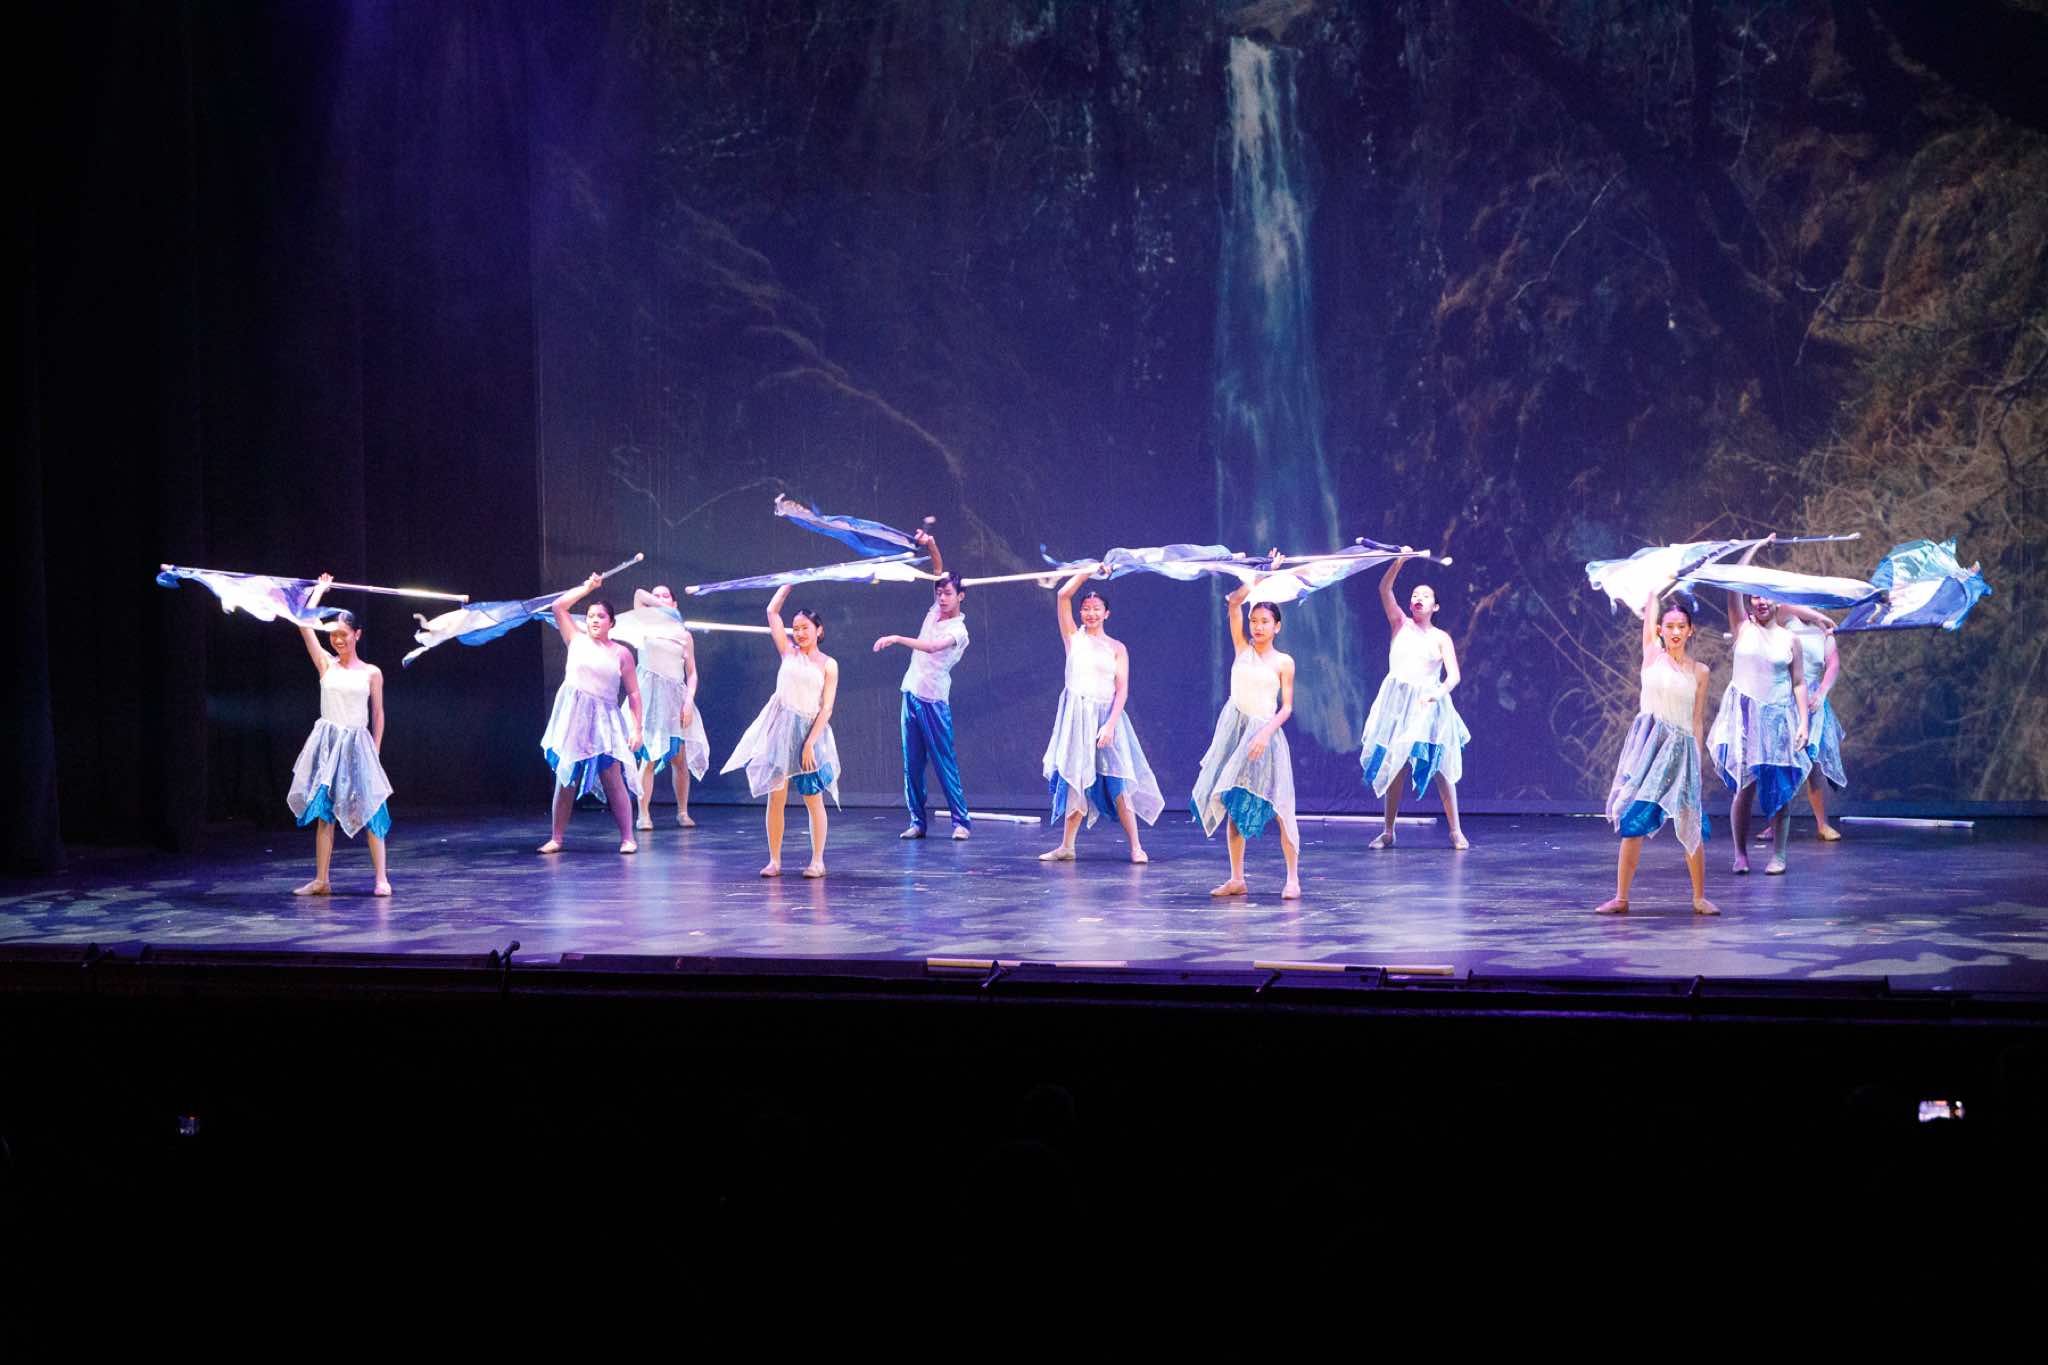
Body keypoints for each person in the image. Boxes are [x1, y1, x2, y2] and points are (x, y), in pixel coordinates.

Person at [1597, 590, 1718, 914]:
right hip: (1650, 750)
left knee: (1690, 820)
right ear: (1660, 630)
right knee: (1634, 819)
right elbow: (1650, 610)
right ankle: (1621, 897)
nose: (1675, 632)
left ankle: (1699, 897)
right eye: (1670, 626)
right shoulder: (1652, 655)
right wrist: (1654, 584)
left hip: (1680, 751)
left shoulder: (1699, 671)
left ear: (1690, 631)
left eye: (1681, 626)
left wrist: (1696, 759)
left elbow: (1697, 719)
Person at [1705, 537, 1813, 875]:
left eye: (1766, 595)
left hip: (1778, 717)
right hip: (1745, 718)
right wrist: (1754, 548)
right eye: (1755, 595)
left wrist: (1803, 722)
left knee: (1780, 790)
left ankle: (1779, 855)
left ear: (1777, 600)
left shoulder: (1790, 639)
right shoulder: (1742, 628)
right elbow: (1733, 584)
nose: (1760, 601)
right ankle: (1740, 853)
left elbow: (1798, 682)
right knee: (1744, 788)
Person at [1039, 569, 1162, 863]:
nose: (1091, 613)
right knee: (1075, 778)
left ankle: (1136, 846)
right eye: (1086, 608)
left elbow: (1122, 690)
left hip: (1107, 717)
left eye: (1096, 609)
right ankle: (1067, 846)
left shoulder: (1117, 648)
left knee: (1118, 780)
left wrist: (1110, 725)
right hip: (1077, 719)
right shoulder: (1074, 638)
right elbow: (1063, 595)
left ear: (1107, 613)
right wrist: (1087, 571)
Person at [1190, 583, 1300, 899]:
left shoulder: (1284, 661)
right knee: (1234, 802)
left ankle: (1292, 878)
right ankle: (1237, 878)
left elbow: (1286, 707)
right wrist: (1257, 578)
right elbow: (1233, 604)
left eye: (1265, 621)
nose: (1258, 627)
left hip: (1265, 735)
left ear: (1277, 626)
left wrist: (1264, 734)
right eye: (1254, 621)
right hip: (1235, 733)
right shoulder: (1242, 648)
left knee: (1280, 806)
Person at [720, 584, 839, 878]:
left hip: (809, 733)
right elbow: (772, 612)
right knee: (776, 797)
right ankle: (774, 860)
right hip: (781, 731)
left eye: (805, 628)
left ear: (819, 630)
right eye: (795, 628)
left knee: (813, 798)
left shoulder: (828, 665)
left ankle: (817, 860)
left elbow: (826, 708)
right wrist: (786, 586)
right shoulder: (788, 652)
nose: (799, 633)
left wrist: (809, 743)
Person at [287, 573, 393, 896]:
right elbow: (303, 622)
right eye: (333, 634)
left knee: (371, 808)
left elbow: (378, 713)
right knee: (325, 814)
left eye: (343, 634)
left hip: (358, 745)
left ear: (357, 634)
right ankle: (322, 880)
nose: (337, 640)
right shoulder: (326, 664)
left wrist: (375, 750)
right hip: (328, 746)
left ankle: (381, 879)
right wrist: (319, 591)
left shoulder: (372, 672)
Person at [1358, 555, 1471, 849]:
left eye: (1425, 595)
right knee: (1395, 764)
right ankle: (1388, 831)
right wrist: (1399, 562)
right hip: (1397, 705)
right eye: (1414, 595)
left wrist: (1438, 692)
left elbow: (1454, 676)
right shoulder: (1400, 624)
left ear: (1436, 606)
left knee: (1440, 766)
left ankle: (1455, 830)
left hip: (1429, 706)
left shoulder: (1441, 638)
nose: (1418, 598)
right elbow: (1384, 589)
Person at [872, 529, 972, 841]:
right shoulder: (934, 611)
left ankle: (961, 822)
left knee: (943, 762)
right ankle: (917, 822)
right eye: (939, 593)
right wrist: (931, 544)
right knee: (911, 764)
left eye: (948, 594)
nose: (942, 598)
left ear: (960, 596)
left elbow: (930, 648)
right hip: (911, 694)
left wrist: (896, 638)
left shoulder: (959, 631)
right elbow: (937, 569)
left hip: (933, 700)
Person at [536, 573, 643, 854]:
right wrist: (587, 587)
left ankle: (628, 837)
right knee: (566, 776)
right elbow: (558, 606)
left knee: (612, 778)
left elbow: (633, 693)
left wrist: (637, 728)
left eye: (601, 616)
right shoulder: (576, 639)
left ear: (611, 623)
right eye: (591, 616)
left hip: (604, 720)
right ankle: (557, 838)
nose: (594, 620)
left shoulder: (621, 654)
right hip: (574, 718)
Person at [628, 585, 709, 831]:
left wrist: (689, 701)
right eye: (657, 596)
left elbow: (692, 673)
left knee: (679, 759)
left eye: (666, 596)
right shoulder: (643, 624)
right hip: (650, 700)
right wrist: (659, 605)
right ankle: (643, 814)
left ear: (675, 604)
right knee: (649, 758)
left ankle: (683, 812)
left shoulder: (684, 635)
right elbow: (639, 594)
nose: (660, 598)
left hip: (675, 699)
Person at [1764, 617, 1846, 843]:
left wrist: (1822, 692)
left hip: (1811, 702)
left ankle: (1822, 824)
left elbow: (1833, 665)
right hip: (1784, 699)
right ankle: (1774, 824)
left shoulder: (1824, 633)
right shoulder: (1784, 622)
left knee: (1813, 765)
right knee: (1779, 764)